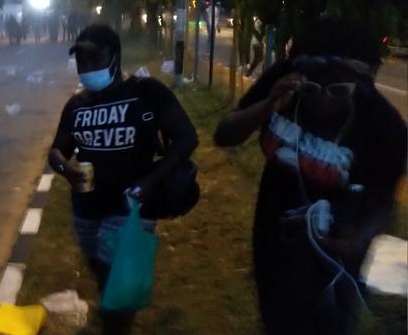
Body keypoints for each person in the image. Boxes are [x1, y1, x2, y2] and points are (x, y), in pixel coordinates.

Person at [214, 17, 407, 335]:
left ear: (363, 83)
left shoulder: (384, 126)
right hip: (273, 240)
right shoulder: (284, 81)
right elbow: (224, 134)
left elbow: (384, 203)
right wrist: (268, 104)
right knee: (275, 320)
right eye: (312, 87)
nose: (323, 99)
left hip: (334, 259)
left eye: (339, 90)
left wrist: (358, 238)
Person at [48, 24, 198, 334]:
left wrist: (153, 181)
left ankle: (115, 326)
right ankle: (112, 319)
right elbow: (57, 152)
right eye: (80, 61)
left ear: (114, 57)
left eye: (93, 59)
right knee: (101, 273)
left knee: (118, 280)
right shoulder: (76, 106)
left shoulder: (146, 92)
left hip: (130, 208)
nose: (85, 67)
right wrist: (66, 169)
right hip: (86, 209)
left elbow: (186, 137)